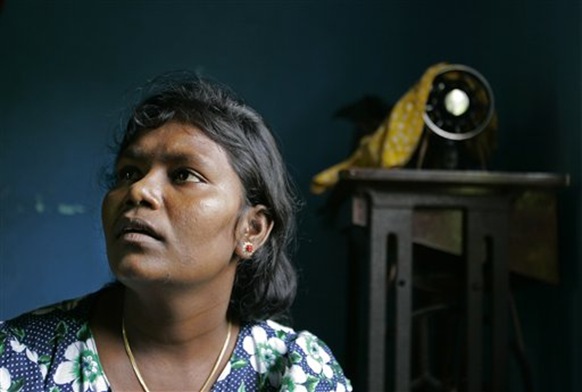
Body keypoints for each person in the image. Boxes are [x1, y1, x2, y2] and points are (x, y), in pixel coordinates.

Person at [0, 73, 352, 392]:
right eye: (128, 173)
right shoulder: (20, 359)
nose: (139, 190)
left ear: (252, 229)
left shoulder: (297, 372)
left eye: (184, 174)